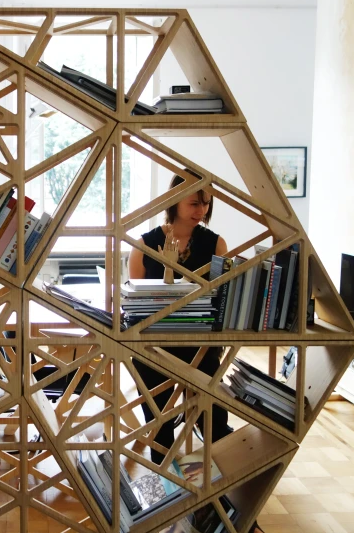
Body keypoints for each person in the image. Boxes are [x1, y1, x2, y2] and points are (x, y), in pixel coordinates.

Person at [128, 171, 265, 533]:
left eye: (206, 202)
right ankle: (164, 504)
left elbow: (222, 300)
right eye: (195, 201)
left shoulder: (215, 243)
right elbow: (136, 307)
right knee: (160, 428)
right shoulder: (144, 243)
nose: (202, 209)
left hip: (201, 346)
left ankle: (223, 502)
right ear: (174, 200)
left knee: (213, 423)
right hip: (154, 349)